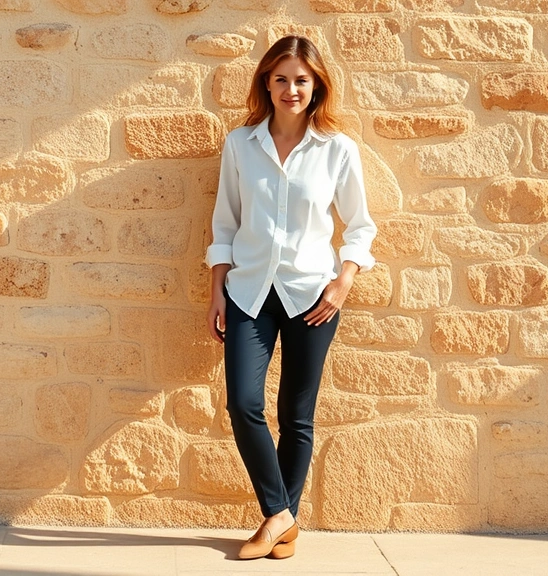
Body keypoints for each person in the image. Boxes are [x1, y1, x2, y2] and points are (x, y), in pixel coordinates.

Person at [205, 35, 377, 560]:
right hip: (248, 292)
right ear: (266, 82)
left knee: (296, 416)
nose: (291, 89)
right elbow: (225, 223)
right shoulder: (241, 144)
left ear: (316, 85)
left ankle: (281, 525)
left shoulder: (337, 150)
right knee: (243, 403)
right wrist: (216, 291)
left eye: (301, 79)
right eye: (281, 79)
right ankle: (280, 514)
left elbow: (360, 226)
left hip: (312, 296)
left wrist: (343, 281)